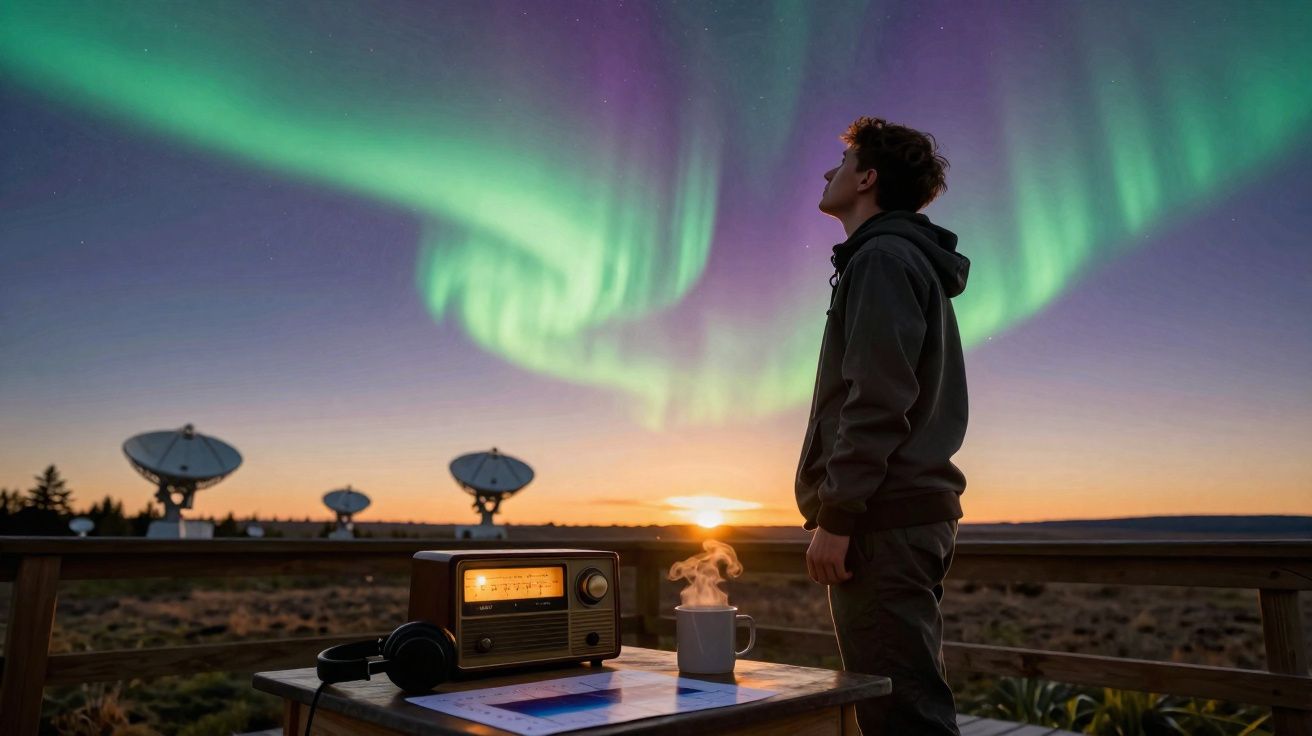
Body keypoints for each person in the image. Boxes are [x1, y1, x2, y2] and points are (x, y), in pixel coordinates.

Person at [795, 116, 969, 735]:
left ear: (866, 178)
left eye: (841, 165)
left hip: (882, 520)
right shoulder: (897, 260)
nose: (826, 172)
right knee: (909, 696)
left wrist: (839, 517)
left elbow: (876, 401)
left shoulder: (883, 261)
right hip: (904, 515)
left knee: (900, 713)